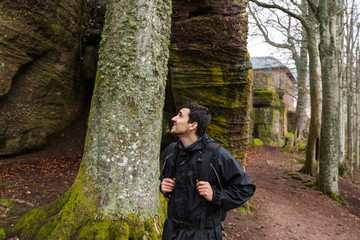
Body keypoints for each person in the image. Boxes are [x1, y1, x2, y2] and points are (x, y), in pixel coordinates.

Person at [159, 102, 256, 240]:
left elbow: (245, 188)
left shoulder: (217, 154)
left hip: (203, 234)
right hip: (172, 231)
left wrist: (215, 195)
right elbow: (165, 181)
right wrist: (163, 186)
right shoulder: (171, 151)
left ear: (193, 125)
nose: (173, 118)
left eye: (180, 116)